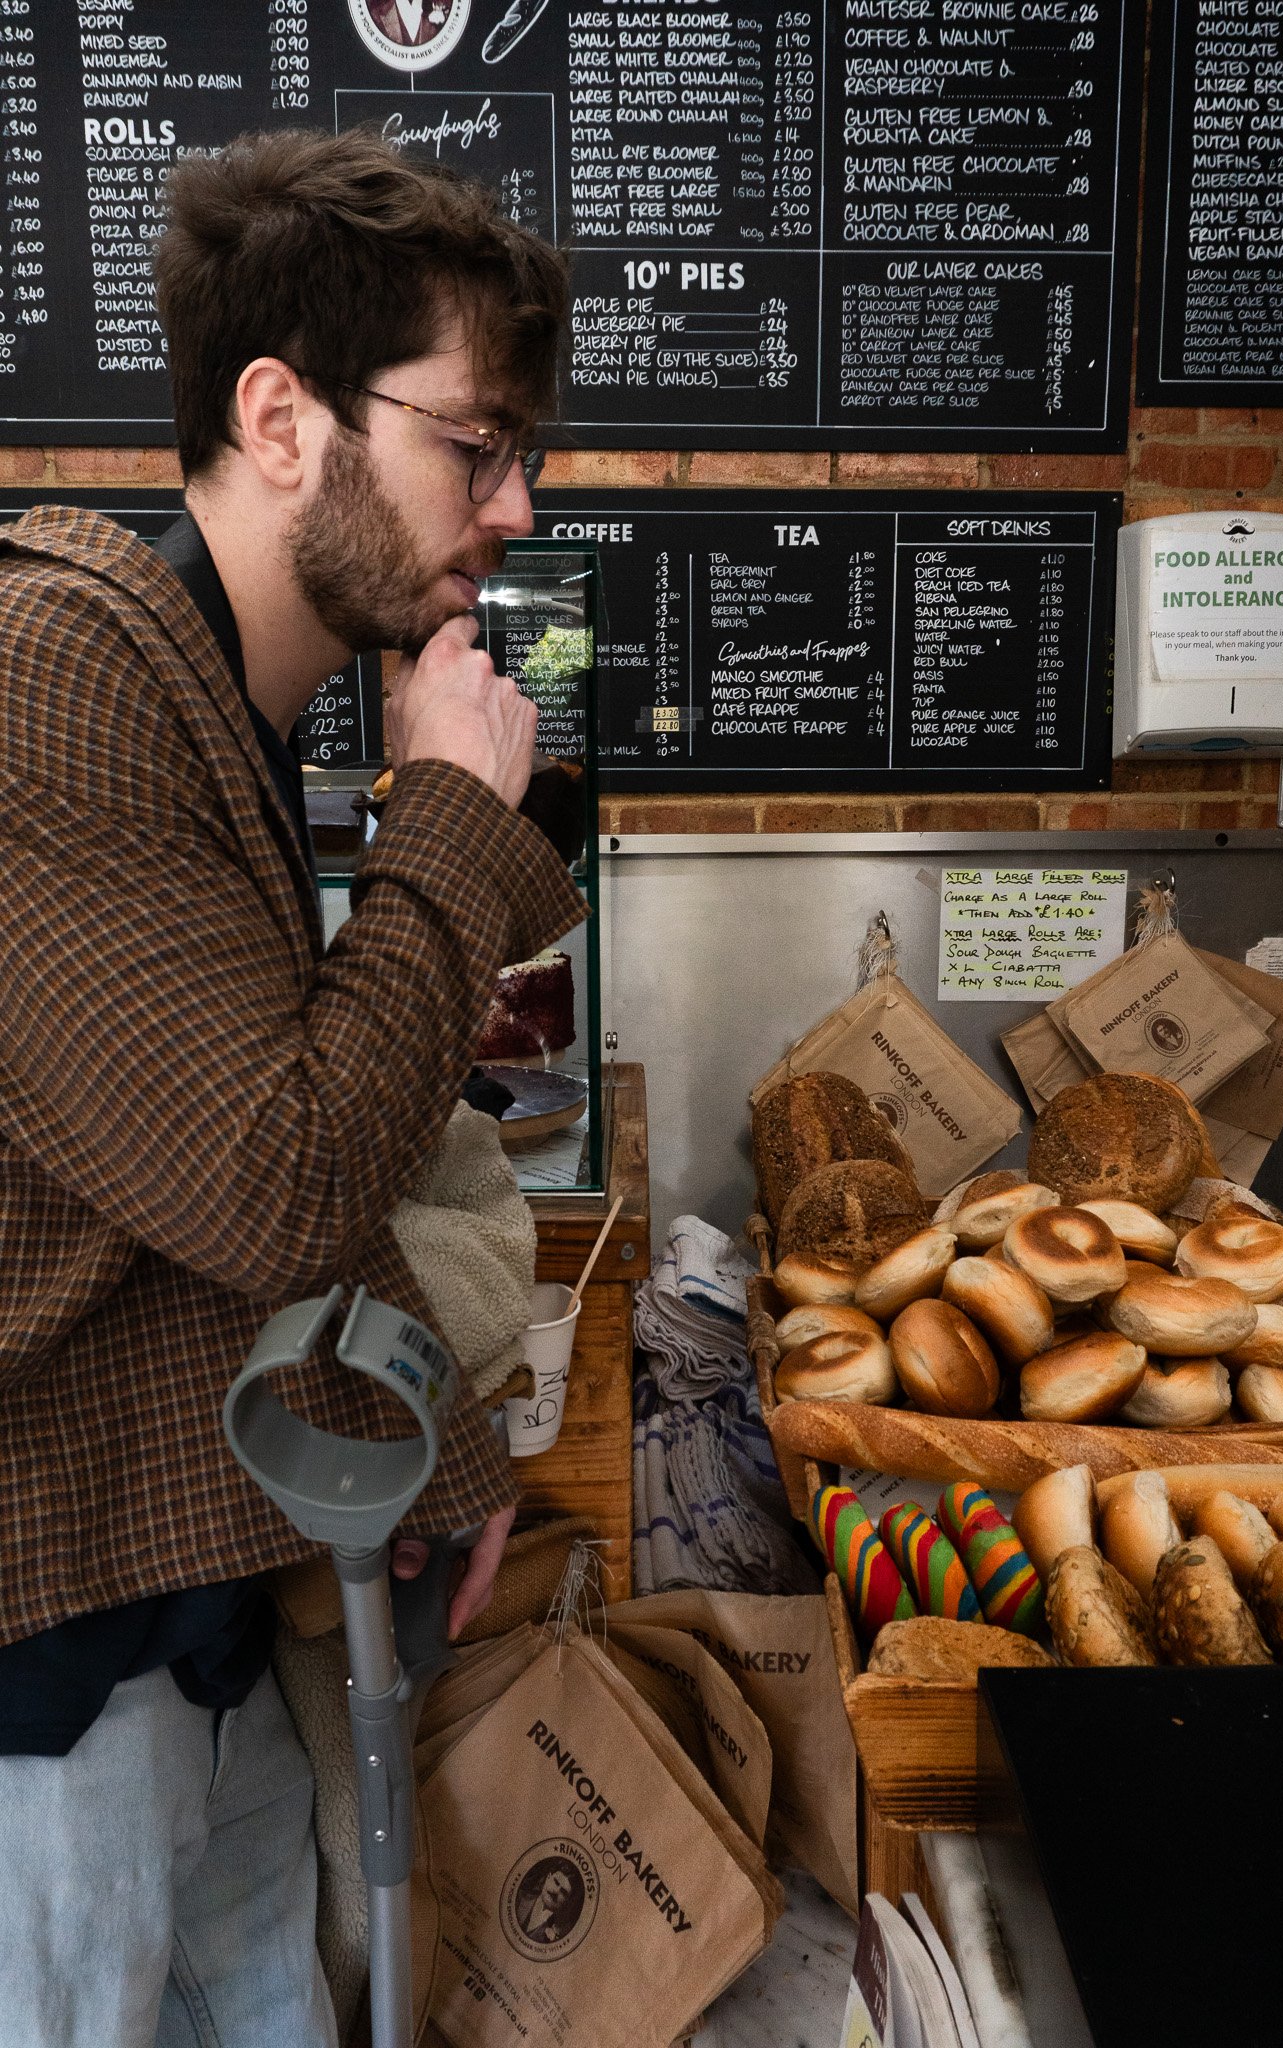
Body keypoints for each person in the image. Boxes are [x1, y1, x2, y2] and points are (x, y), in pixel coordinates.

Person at [0, 127, 583, 2047]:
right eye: (472, 443)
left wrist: (440, 1458)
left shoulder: (218, 695)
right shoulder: (53, 677)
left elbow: (237, 1159)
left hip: (194, 1602)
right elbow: (278, 1181)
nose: (510, 507)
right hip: (54, 1670)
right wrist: (440, 817)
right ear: (281, 418)